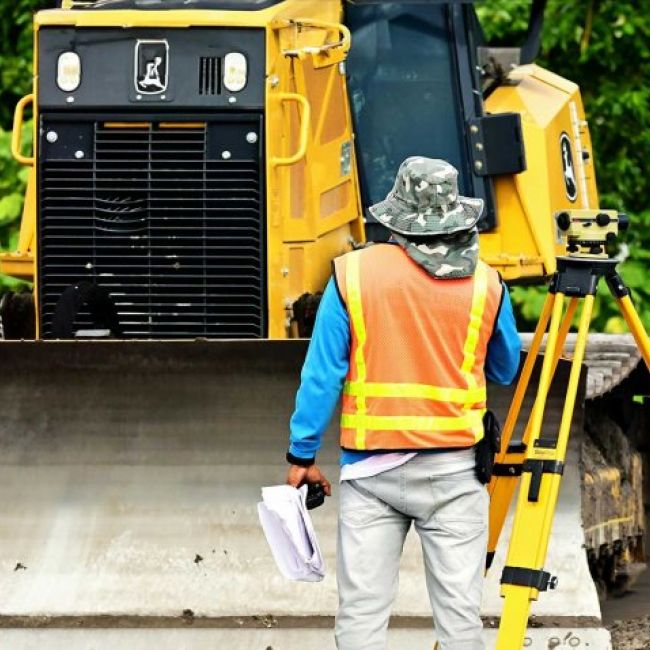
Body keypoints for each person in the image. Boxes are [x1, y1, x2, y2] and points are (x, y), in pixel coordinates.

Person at [285, 157, 520, 650]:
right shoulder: (487, 284)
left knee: (361, 616)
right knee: (460, 619)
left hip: (370, 475)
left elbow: (322, 374)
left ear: (395, 216)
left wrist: (301, 455)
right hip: (456, 475)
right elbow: (503, 369)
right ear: (456, 215)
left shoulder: (351, 275)